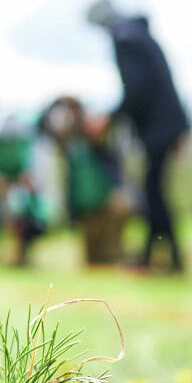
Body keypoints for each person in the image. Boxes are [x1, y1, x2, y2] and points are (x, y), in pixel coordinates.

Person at [86, 0, 191, 273]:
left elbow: (137, 90)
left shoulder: (125, 39)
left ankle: (168, 259)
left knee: (153, 192)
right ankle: (161, 256)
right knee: (154, 190)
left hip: (159, 127)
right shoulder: (138, 33)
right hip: (168, 124)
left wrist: (108, 118)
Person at [41, 96, 129, 265]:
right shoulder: (71, 142)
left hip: (105, 199)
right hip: (84, 205)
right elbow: (46, 128)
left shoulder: (102, 144)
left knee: (109, 248)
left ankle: (115, 254)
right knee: (93, 258)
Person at [0, 105, 48, 267]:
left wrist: (29, 174)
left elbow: (34, 158)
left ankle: (24, 251)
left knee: (27, 212)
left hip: (20, 175)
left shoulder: (26, 137)